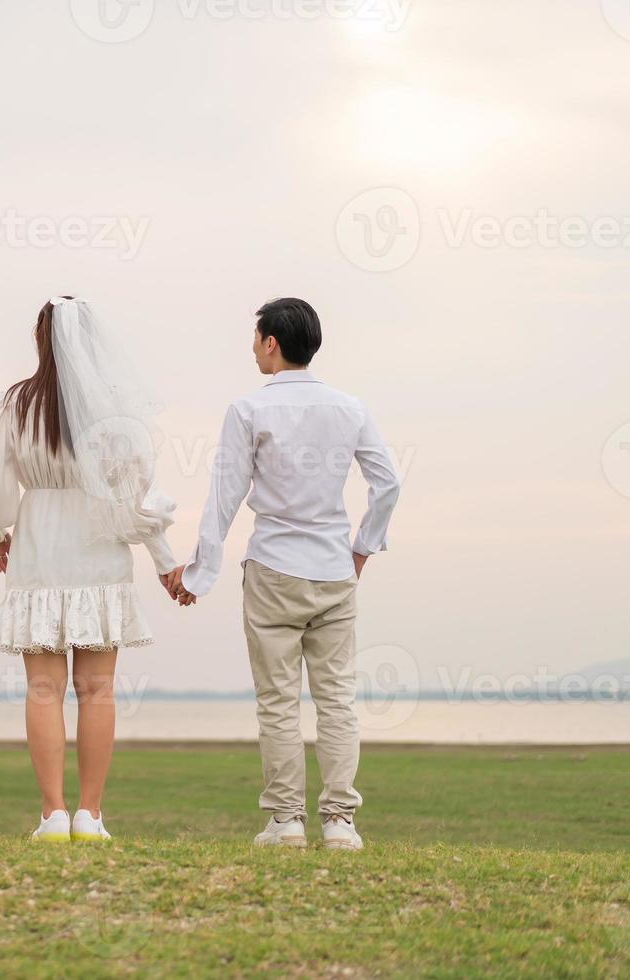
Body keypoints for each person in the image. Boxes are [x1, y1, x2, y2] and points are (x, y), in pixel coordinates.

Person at [168, 298, 400, 851]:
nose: (252, 346)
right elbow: (388, 483)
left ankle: (286, 822)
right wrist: (362, 549)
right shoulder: (349, 408)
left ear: (272, 342)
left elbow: (225, 496)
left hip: (273, 567)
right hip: (334, 570)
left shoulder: (248, 410)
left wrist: (198, 574)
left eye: (255, 337)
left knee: (277, 700)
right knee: (337, 699)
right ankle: (341, 822)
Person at [0, 296, 179, 843]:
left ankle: (52, 814)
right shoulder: (114, 413)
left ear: (41, 339)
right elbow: (138, 497)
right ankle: (90, 815)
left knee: (43, 690)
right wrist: (166, 563)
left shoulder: (15, 403)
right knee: (98, 689)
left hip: (38, 546)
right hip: (98, 548)